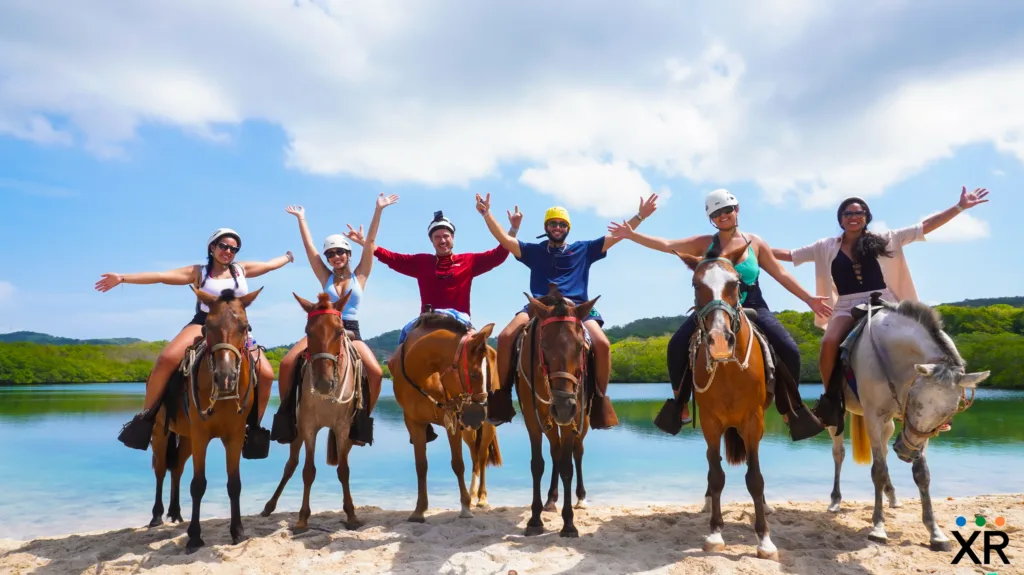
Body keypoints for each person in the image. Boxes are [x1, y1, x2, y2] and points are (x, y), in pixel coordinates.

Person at [608, 189, 833, 441]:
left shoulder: (755, 242)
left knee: (789, 348)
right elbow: (667, 245)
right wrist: (631, 235)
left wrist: (809, 299)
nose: (723, 216)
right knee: (676, 345)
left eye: (727, 210)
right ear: (711, 219)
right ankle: (679, 404)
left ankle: (790, 408)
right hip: (713, 308)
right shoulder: (705, 243)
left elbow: (781, 273)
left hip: (754, 306)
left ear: (737, 210)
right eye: (716, 213)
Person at [772, 187, 991, 432]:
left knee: (928, 335)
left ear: (867, 216)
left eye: (858, 212)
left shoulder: (885, 239)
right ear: (840, 218)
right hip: (846, 305)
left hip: (885, 301)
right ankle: (832, 400)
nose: (853, 216)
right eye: (847, 213)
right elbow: (789, 256)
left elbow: (925, 226)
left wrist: (959, 207)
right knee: (828, 343)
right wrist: (753, 248)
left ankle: (942, 398)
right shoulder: (825, 246)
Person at [98, 228, 294, 450]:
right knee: (166, 359)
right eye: (224, 246)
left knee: (267, 374)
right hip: (203, 324)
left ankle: (254, 427)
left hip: (237, 330)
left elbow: (269, 265)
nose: (228, 251)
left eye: (233, 249)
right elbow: (161, 277)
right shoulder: (199, 272)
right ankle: (146, 419)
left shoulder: (242, 270)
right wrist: (123, 278)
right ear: (212, 247)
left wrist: (287, 258)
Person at [481, 193, 659, 430]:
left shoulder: (583, 249)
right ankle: (502, 397)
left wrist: (640, 216)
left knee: (603, 344)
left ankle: (599, 400)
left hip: (577, 307)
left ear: (568, 228)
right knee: (504, 337)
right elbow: (504, 239)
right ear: (546, 227)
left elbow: (618, 236)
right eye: (553, 223)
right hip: (541, 305)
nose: (557, 227)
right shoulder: (533, 251)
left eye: (562, 224)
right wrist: (487, 214)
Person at [272, 193, 397, 445]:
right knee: (286, 363)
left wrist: (378, 210)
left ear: (349, 254)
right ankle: (286, 414)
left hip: (350, 331)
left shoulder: (360, 275)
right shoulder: (325, 277)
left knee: (374, 372)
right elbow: (310, 250)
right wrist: (302, 219)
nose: (335, 257)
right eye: (331, 254)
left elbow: (370, 242)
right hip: (323, 331)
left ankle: (362, 421)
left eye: (340, 252)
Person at [372, 205, 522, 345]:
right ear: (431, 240)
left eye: (446, 236)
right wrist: (368, 245)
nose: (442, 240)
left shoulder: (468, 261)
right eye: (437, 237)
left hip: (460, 324)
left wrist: (513, 229)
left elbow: (499, 255)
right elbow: (392, 258)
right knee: (399, 355)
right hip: (427, 322)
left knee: (479, 352)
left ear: (452, 238)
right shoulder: (421, 262)